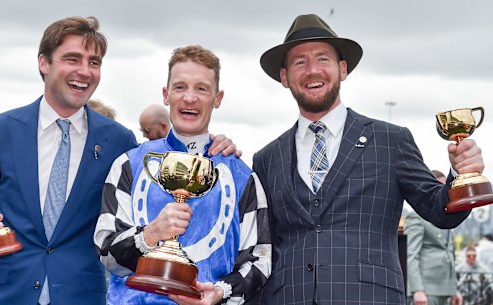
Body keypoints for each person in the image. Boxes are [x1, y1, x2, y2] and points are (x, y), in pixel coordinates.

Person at [0, 17, 239, 305]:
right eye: (73, 59)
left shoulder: (120, 142)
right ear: (44, 63)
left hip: (81, 295)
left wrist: (215, 147)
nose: (84, 71)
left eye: (94, 62)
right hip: (2, 293)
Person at [248, 13, 484, 305]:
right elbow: (260, 247)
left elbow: (441, 211)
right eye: (300, 62)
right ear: (284, 77)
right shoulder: (266, 158)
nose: (312, 71)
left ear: (342, 69)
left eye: (323, 59)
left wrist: (460, 173)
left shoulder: (390, 140)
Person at [94, 45, 271, 305]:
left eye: (202, 88)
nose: (190, 98)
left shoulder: (242, 177)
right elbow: (106, 252)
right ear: (166, 95)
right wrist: (150, 233)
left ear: (217, 98)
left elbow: (261, 259)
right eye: (180, 87)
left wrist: (220, 292)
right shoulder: (128, 166)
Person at [405, 170, 462, 305]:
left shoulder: (448, 217)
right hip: (426, 291)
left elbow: (449, 253)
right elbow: (411, 254)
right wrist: (417, 289)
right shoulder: (416, 217)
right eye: (441, 187)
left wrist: (454, 289)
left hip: (446, 290)